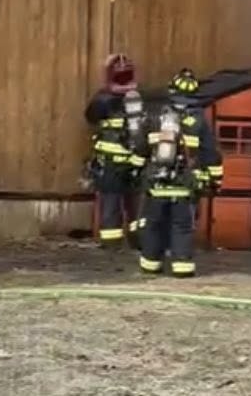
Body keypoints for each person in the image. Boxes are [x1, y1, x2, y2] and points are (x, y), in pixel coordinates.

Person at [131, 67, 222, 278]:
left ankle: (151, 265)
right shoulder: (199, 121)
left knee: (153, 225)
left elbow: (141, 149)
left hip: (156, 185)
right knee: (181, 226)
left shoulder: (156, 117)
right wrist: (214, 181)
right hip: (183, 186)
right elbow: (211, 154)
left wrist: (136, 173)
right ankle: (182, 267)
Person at [83, 53, 145, 248]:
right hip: (135, 160)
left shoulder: (102, 100)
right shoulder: (140, 98)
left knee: (110, 201)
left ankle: (111, 243)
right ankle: (139, 241)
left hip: (110, 162)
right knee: (135, 202)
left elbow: (91, 117)